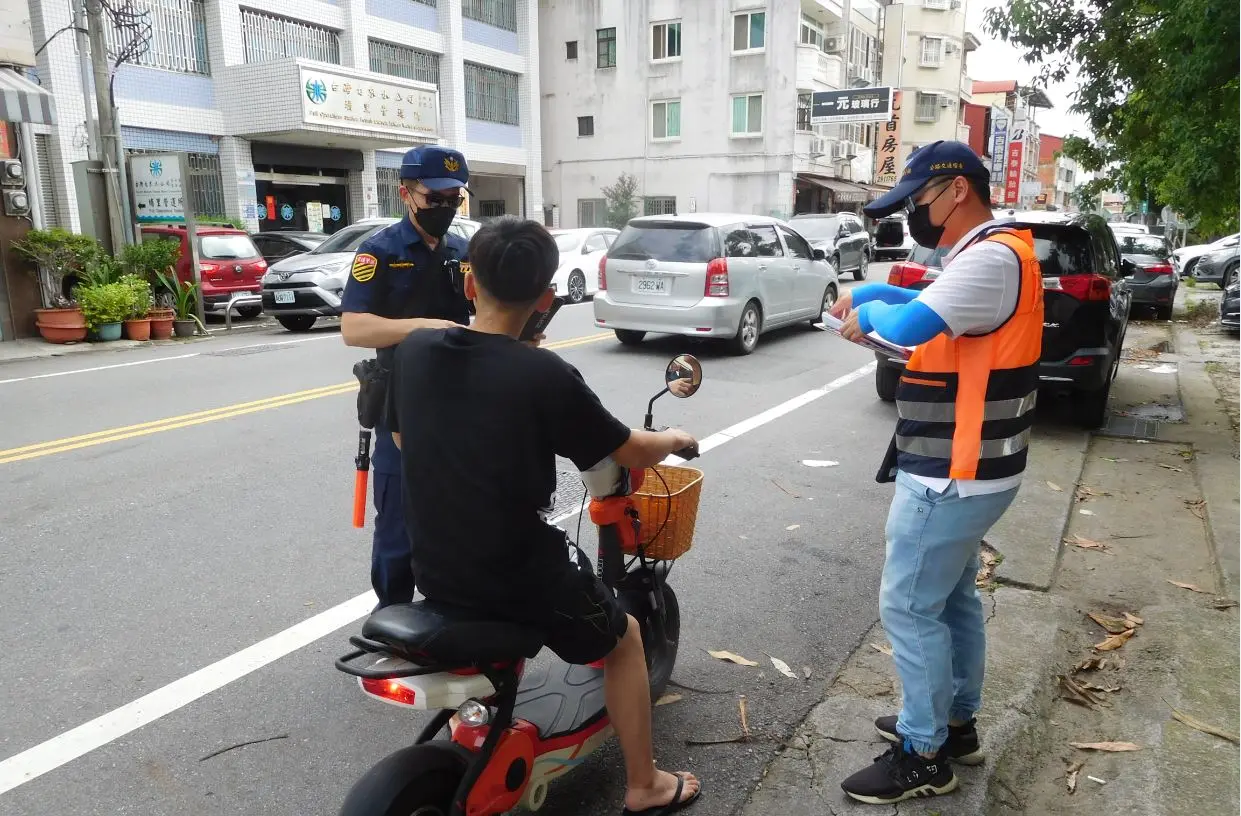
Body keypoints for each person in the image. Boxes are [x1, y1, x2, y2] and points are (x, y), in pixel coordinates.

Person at [384, 217, 703, 815]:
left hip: (436, 564)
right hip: (516, 571)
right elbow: (625, 449)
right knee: (626, 639)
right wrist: (676, 437)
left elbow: (403, 440)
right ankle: (645, 786)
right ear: (547, 298)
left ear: (469, 282)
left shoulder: (418, 349)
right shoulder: (544, 373)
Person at [828, 141, 1044, 804]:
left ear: (955, 191)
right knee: (950, 601)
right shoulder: (995, 253)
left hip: (954, 474)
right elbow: (924, 294)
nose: (914, 215)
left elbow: (909, 325)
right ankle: (954, 723)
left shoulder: (989, 260)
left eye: (918, 200)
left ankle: (924, 755)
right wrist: (866, 290)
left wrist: (863, 316)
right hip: (977, 469)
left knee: (908, 604)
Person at [340, 144, 472, 610]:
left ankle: (449, 606)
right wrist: (422, 326)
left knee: (456, 508)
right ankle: (392, 614)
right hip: (401, 398)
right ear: (406, 195)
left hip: (459, 397)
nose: (446, 208)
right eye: (434, 198)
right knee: (398, 515)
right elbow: (353, 329)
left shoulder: (464, 250)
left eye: (455, 198)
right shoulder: (378, 251)